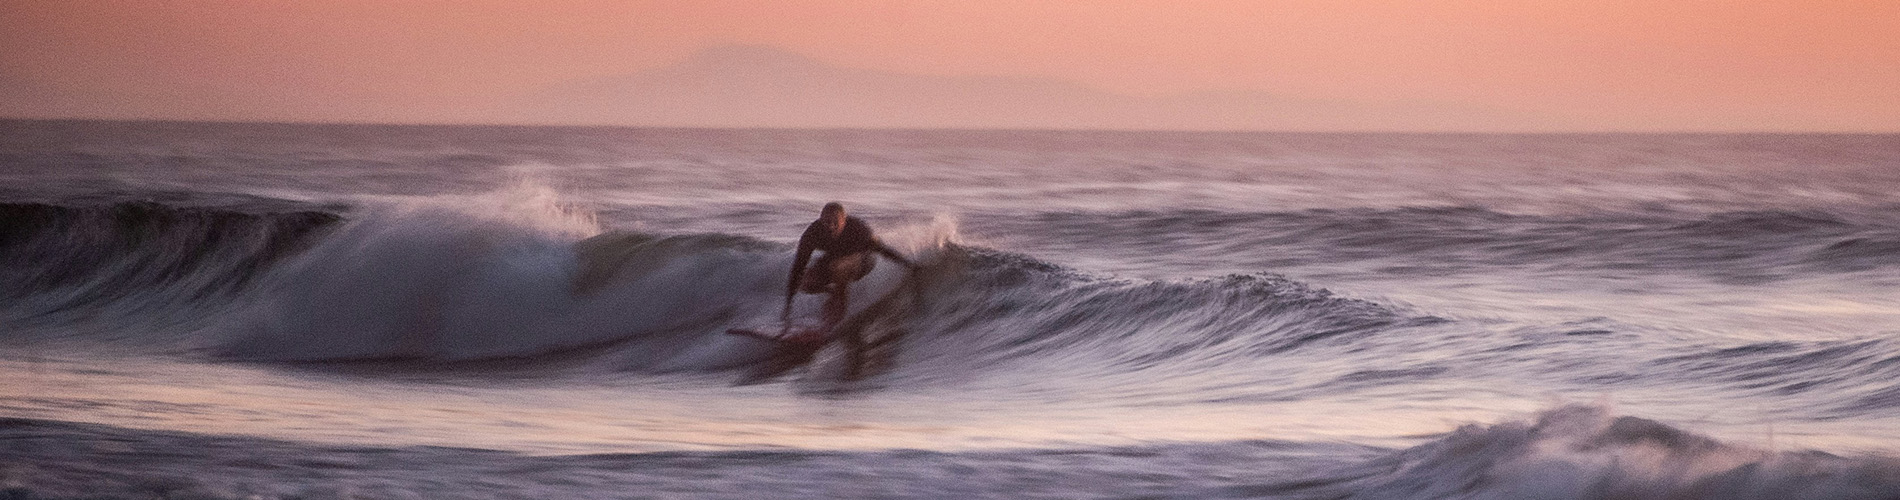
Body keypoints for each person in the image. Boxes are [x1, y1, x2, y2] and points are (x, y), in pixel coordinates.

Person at [783, 202, 916, 334]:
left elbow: (883, 250)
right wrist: (787, 309)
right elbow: (798, 268)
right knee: (805, 281)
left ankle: (839, 312)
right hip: (833, 260)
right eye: (827, 222)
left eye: (835, 222)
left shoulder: (858, 229)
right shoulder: (812, 233)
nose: (831, 226)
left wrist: (908, 265)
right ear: (821, 220)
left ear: (844, 220)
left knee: (840, 266)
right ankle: (833, 293)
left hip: (863, 261)